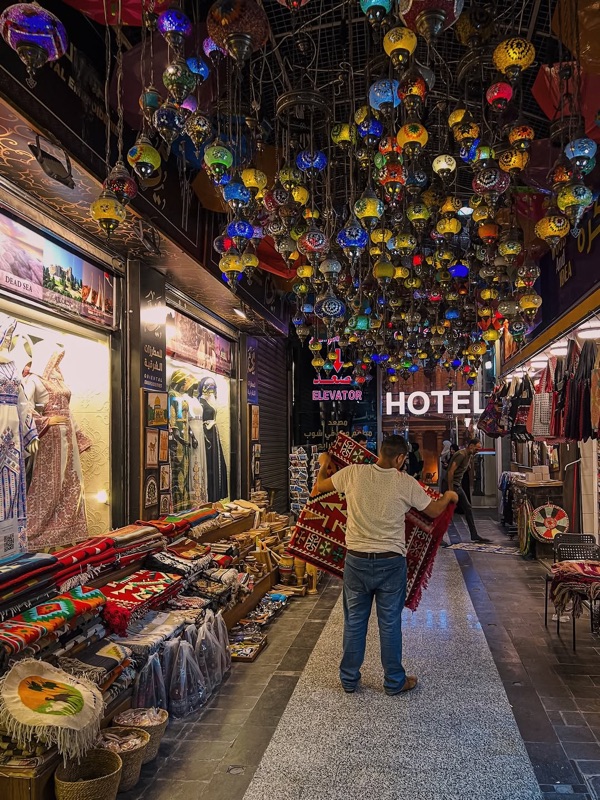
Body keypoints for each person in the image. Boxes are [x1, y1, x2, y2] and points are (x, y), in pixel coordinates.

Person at [314, 435, 458, 696]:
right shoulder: (405, 482)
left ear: (380, 452)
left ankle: (348, 679)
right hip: (391, 563)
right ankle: (393, 681)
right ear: (401, 459)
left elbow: (319, 488)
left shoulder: (353, 473)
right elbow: (434, 511)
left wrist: (324, 462)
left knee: (355, 621)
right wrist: (448, 495)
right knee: (389, 623)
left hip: (356, 560)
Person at [446, 437, 489, 543]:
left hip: (457, 485)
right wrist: (450, 490)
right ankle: (436, 535)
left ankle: (474, 534)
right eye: (476, 449)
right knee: (446, 511)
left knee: (467, 508)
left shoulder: (469, 455)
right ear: (471, 446)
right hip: (454, 486)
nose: (477, 451)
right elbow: (451, 472)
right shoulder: (461, 454)